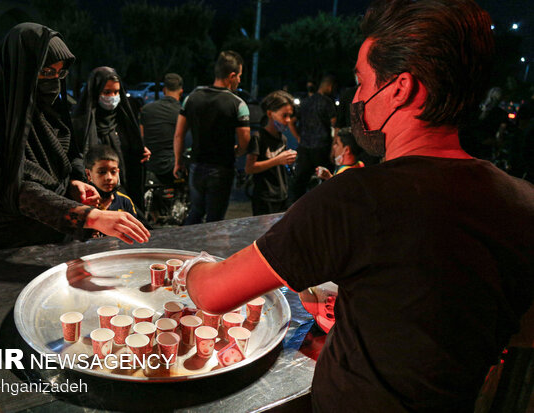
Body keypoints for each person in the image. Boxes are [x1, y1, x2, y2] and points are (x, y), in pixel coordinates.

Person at [181, 1, 534, 411]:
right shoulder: (522, 201)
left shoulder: (357, 197)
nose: (359, 98)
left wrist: (190, 267)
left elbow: (212, 292)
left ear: (400, 88)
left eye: (364, 83)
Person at [0, 23, 149, 254]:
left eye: (59, 73)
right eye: (45, 72)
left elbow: (68, 151)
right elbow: (10, 187)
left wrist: (74, 182)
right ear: (20, 69)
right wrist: (89, 217)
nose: (53, 82)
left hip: (49, 241)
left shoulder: (42, 108)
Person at [173, 50, 251, 224]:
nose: (239, 80)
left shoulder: (192, 98)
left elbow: (179, 134)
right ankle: (208, 250)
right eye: (239, 76)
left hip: (196, 165)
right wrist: (237, 152)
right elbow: (245, 140)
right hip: (222, 168)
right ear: (231, 76)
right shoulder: (238, 104)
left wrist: (178, 161)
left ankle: (185, 248)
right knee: (215, 219)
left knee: (195, 211)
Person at [73, 66, 151, 212]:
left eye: (116, 92)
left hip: (124, 195)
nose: (112, 97)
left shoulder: (123, 120)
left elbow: (130, 149)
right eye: (107, 92)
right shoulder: (82, 123)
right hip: (96, 199)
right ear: (96, 92)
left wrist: (139, 151)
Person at [245, 91, 297, 215]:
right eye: (284, 116)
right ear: (270, 114)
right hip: (264, 197)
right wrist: (278, 160)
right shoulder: (258, 138)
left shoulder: (282, 138)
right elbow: (249, 168)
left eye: (290, 115)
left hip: (282, 195)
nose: (288, 120)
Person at [288, 75, 338, 202]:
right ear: (328, 86)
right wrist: (334, 146)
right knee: (325, 180)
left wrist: (298, 137)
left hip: (305, 147)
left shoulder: (306, 101)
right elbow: (335, 125)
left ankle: (295, 208)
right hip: (322, 147)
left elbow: (291, 122)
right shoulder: (327, 102)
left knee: (299, 181)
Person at [140, 73, 183, 186]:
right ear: (181, 92)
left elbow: (141, 137)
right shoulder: (182, 113)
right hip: (173, 167)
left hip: (150, 166)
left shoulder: (146, 109)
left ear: (164, 90)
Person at [84, 144, 137, 218]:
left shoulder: (125, 201)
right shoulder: (83, 202)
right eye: (102, 172)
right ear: (88, 174)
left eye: (113, 172)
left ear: (118, 172)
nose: (109, 177)